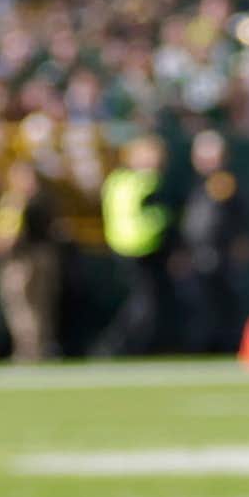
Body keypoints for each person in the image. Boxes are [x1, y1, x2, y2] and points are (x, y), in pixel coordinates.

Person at [176, 127, 249, 355]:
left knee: (226, 306)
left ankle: (229, 348)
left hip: (222, 255)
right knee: (199, 307)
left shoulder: (227, 184)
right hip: (197, 256)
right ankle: (203, 349)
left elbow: (239, 217)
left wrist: (241, 241)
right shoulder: (194, 185)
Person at [96, 133, 175, 357]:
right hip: (141, 249)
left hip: (129, 248)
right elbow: (161, 214)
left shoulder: (117, 180)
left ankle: (129, 346)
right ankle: (120, 346)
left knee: (146, 302)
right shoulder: (144, 182)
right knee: (145, 303)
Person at [0, 155, 61, 363]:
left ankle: (31, 351)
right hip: (38, 257)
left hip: (24, 259)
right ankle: (38, 348)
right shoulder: (42, 198)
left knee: (26, 307)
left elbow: (8, 234)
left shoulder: (18, 201)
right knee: (35, 307)